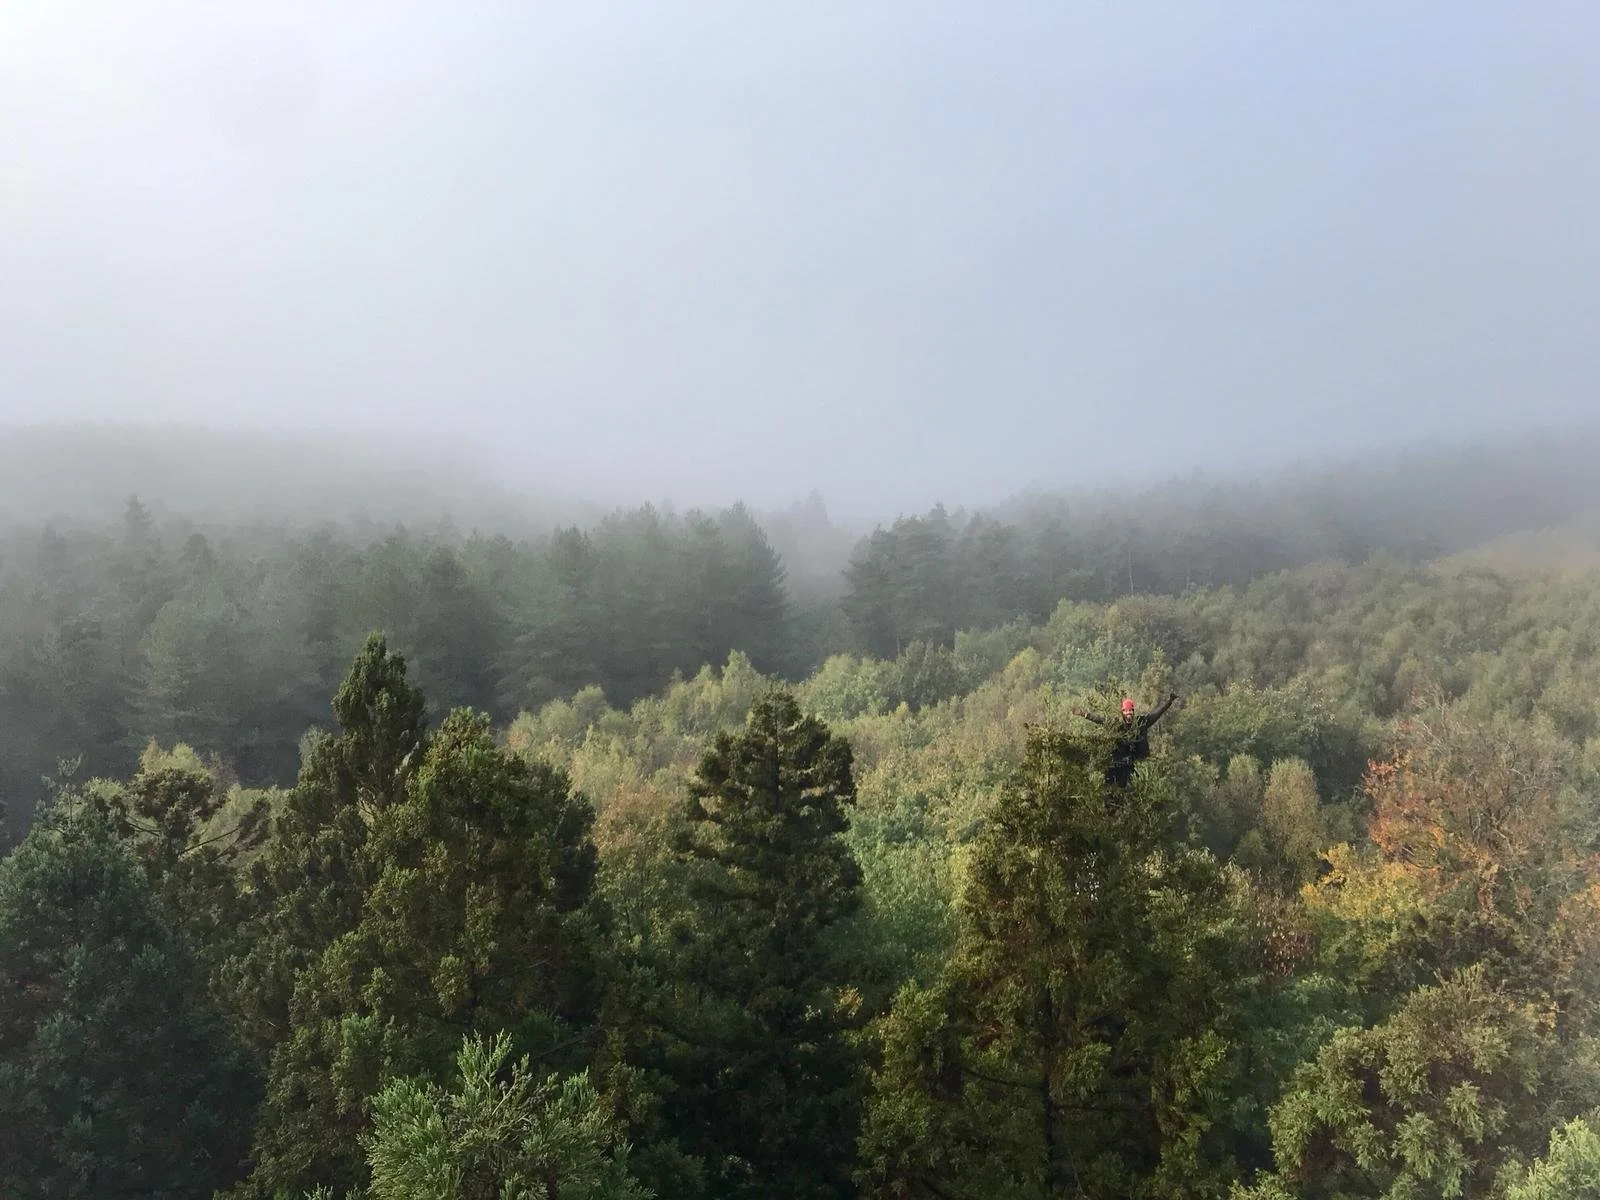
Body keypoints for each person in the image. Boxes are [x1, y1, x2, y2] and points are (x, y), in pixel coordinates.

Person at [1072, 692, 1178, 789]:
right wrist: (1085, 715)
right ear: (1122, 712)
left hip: (1135, 765)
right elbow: (1101, 720)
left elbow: (1157, 713)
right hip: (1118, 766)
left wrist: (1169, 701)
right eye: (1126, 711)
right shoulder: (1117, 725)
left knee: (1135, 786)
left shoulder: (1141, 723)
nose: (1128, 713)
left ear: (1133, 711)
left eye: (1130, 710)